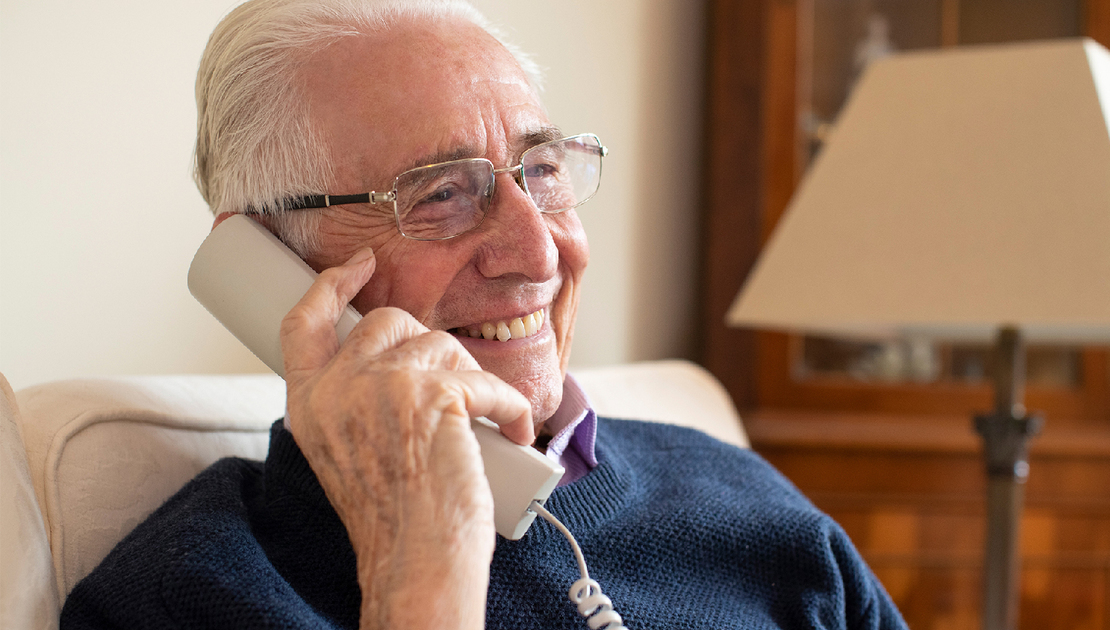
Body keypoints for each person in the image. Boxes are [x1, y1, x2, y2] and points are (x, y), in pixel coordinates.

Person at [60, 0, 908, 628]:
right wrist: (417, 576)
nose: (540, 253)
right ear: (269, 265)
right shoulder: (182, 597)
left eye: (541, 169)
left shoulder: (741, 495)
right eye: (440, 193)